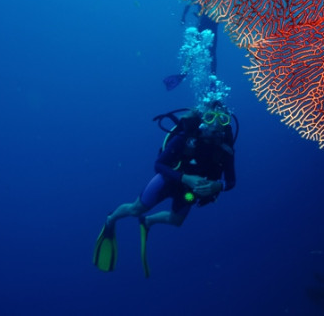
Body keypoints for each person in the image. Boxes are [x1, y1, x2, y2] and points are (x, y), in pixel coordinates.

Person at [93, 99, 236, 276]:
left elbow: (230, 182)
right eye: (209, 117)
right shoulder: (185, 137)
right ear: (202, 118)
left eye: (222, 119)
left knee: (176, 221)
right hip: (166, 180)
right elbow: (159, 165)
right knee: (135, 209)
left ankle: (147, 222)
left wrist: (216, 186)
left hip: (189, 192)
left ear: (227, 122)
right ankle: (111, 219)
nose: (214, 125)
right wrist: (186, 178)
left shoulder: (225, 149)